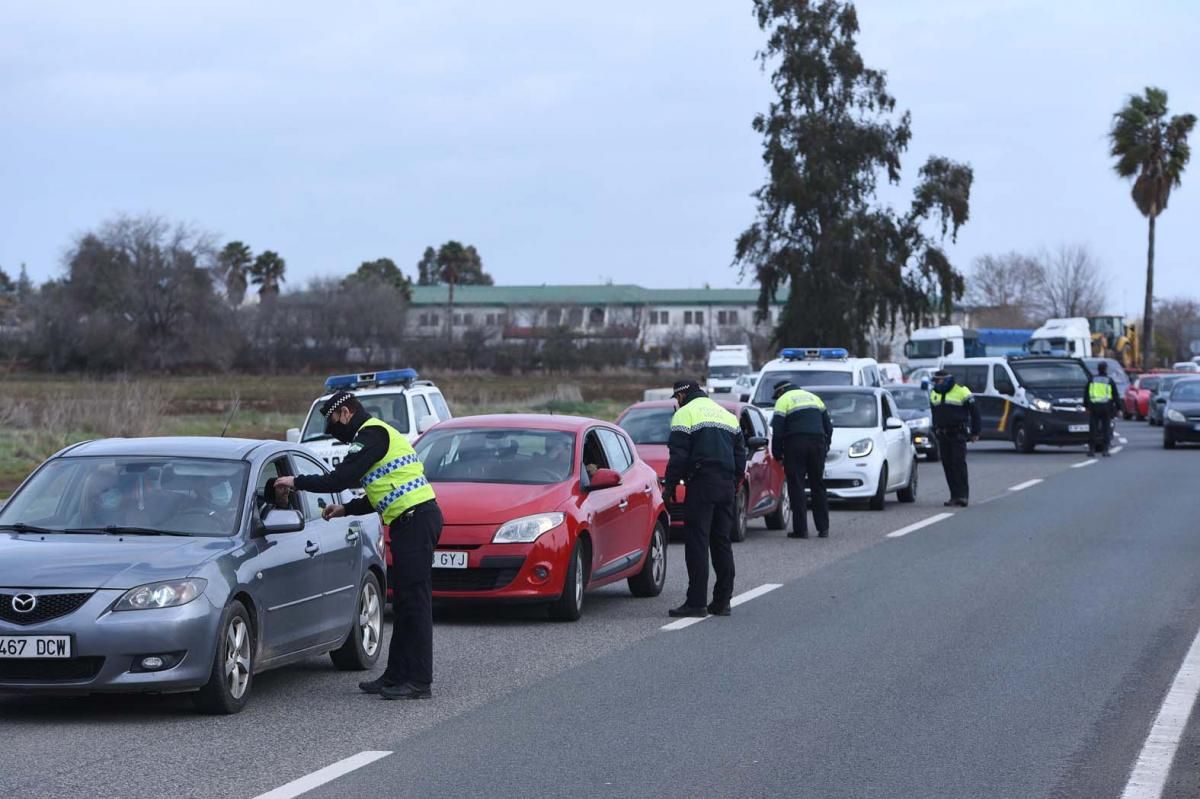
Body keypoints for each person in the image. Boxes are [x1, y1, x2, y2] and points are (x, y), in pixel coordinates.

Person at [275, 390, 442, 701]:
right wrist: (346, 509)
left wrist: (294, 482)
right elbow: (383, 490)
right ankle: (395, 676)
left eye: (333, 422)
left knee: (415, 605)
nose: (333, 430)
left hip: (416, 521)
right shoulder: (376, 437)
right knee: (405, 603)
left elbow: (339, 479)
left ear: (346, 413)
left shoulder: (372, 434)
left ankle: (418, 681)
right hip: (411, 520)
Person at [663, 380, 747, 618]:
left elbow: (678, 456)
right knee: (721, 541)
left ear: (681, 395)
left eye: (676, 398)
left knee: (698, 541)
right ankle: (722, 602)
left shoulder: (685, 414)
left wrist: (669, 488)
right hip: (726, 486)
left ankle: (696, 602)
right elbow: (741, 455)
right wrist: (734, 483)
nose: (676, 403)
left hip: (702, 483)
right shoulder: (726, 415)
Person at [770, 381, 834, 539]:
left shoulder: (783, 400)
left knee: (796, 486)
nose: (777, 397)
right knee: (818, 485)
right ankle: (823, 529)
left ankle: (801, 530)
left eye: (777, 394)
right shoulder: (814, 398)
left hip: (795, 444)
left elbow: (777, 431)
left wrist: (777, 453)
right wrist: (826, 446)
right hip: (817, 443)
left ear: (782, 390)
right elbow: (829, 427)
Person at [929, 369, 981, 507]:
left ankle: (963, 496)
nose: (935, 383)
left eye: (938, 380)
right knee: (948, 466)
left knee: (959, 464)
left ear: (946, 380)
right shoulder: (934, 393)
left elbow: (975, 412)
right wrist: (934, 430)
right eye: (934, 380)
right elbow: (934, 414)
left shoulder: (962, 391)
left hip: (958, 434)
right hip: (942, 435)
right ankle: (954, 496)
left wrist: (975, 432)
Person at [1085, 361, 1119, 456]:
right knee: (1106, 429)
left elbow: (1086, 394)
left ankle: (1092, 450)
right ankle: (1105, 450)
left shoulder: (1092, 380)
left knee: (1093, 429)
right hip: (1106, 408)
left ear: (1098, 369)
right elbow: (1115, 395)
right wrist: (1119, 408)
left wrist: (1086, 406)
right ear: (1106, 369)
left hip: (1094, 407)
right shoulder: (1109, 381)